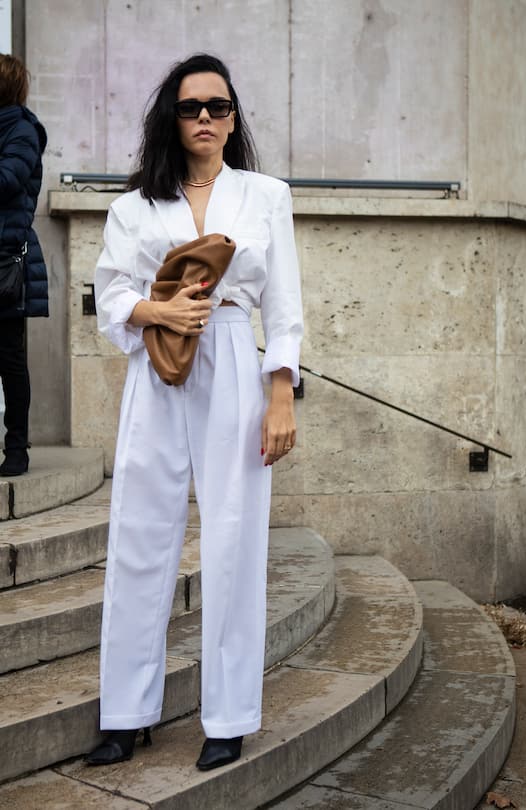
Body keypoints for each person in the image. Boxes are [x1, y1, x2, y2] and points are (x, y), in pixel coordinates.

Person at [86, 53, 303, 770]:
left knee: (236, 539)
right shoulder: (134, 206)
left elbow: (285, 305)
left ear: (234, 117)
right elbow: (111, 295)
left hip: (237, 356)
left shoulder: (266, 194)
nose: (204, 118)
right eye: (190, 107)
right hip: (159, 364)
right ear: (171, 120)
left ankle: (230, 715)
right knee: (140, 531)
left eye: (217, 106)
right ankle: (124, 711)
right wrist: (158, 308)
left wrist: (280, 394)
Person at [0, 54, 48, 477]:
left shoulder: (22, 131)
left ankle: (17, 447)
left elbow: (7, 182)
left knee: (9, 359)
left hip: (5, 265)